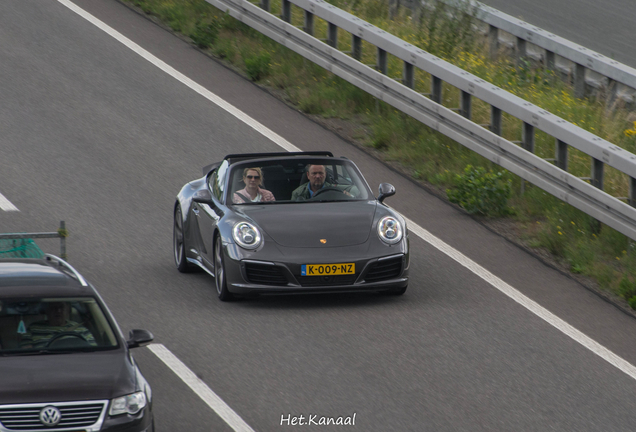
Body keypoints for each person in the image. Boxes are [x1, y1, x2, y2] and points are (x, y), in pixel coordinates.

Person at [20, 302, 96, 348]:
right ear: (47, 310)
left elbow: (93, 351)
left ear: (67, 310)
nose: (58, 311)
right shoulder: (33, 329)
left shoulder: (81, 330)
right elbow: (27, 353)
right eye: (53, 307)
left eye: (61, 307)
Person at [291, 164, 358, 200]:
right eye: (314, 173)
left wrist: (349, 196)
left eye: (320, 173)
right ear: (308, 175)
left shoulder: (334, 190)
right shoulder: (297, 193)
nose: (317, 176)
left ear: (325, 174)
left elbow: (355, 189)